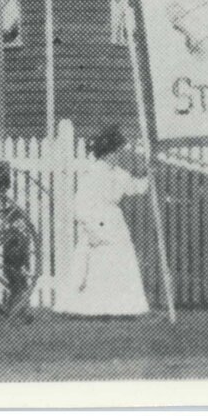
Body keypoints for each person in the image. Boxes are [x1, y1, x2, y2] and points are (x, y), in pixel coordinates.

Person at [55, 125, 151, 317]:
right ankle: (89, 307)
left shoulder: (119, 173)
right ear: (107, 152)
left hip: (114, 221)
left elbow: (135, 187)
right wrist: (90, 229)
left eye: (118, 152)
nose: (118, 155)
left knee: (119, 261)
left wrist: (149, 176)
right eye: (115, 152)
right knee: (94, 264)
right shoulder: (92, 174)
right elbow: (80, 204)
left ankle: (121, 307)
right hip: (96, 221)